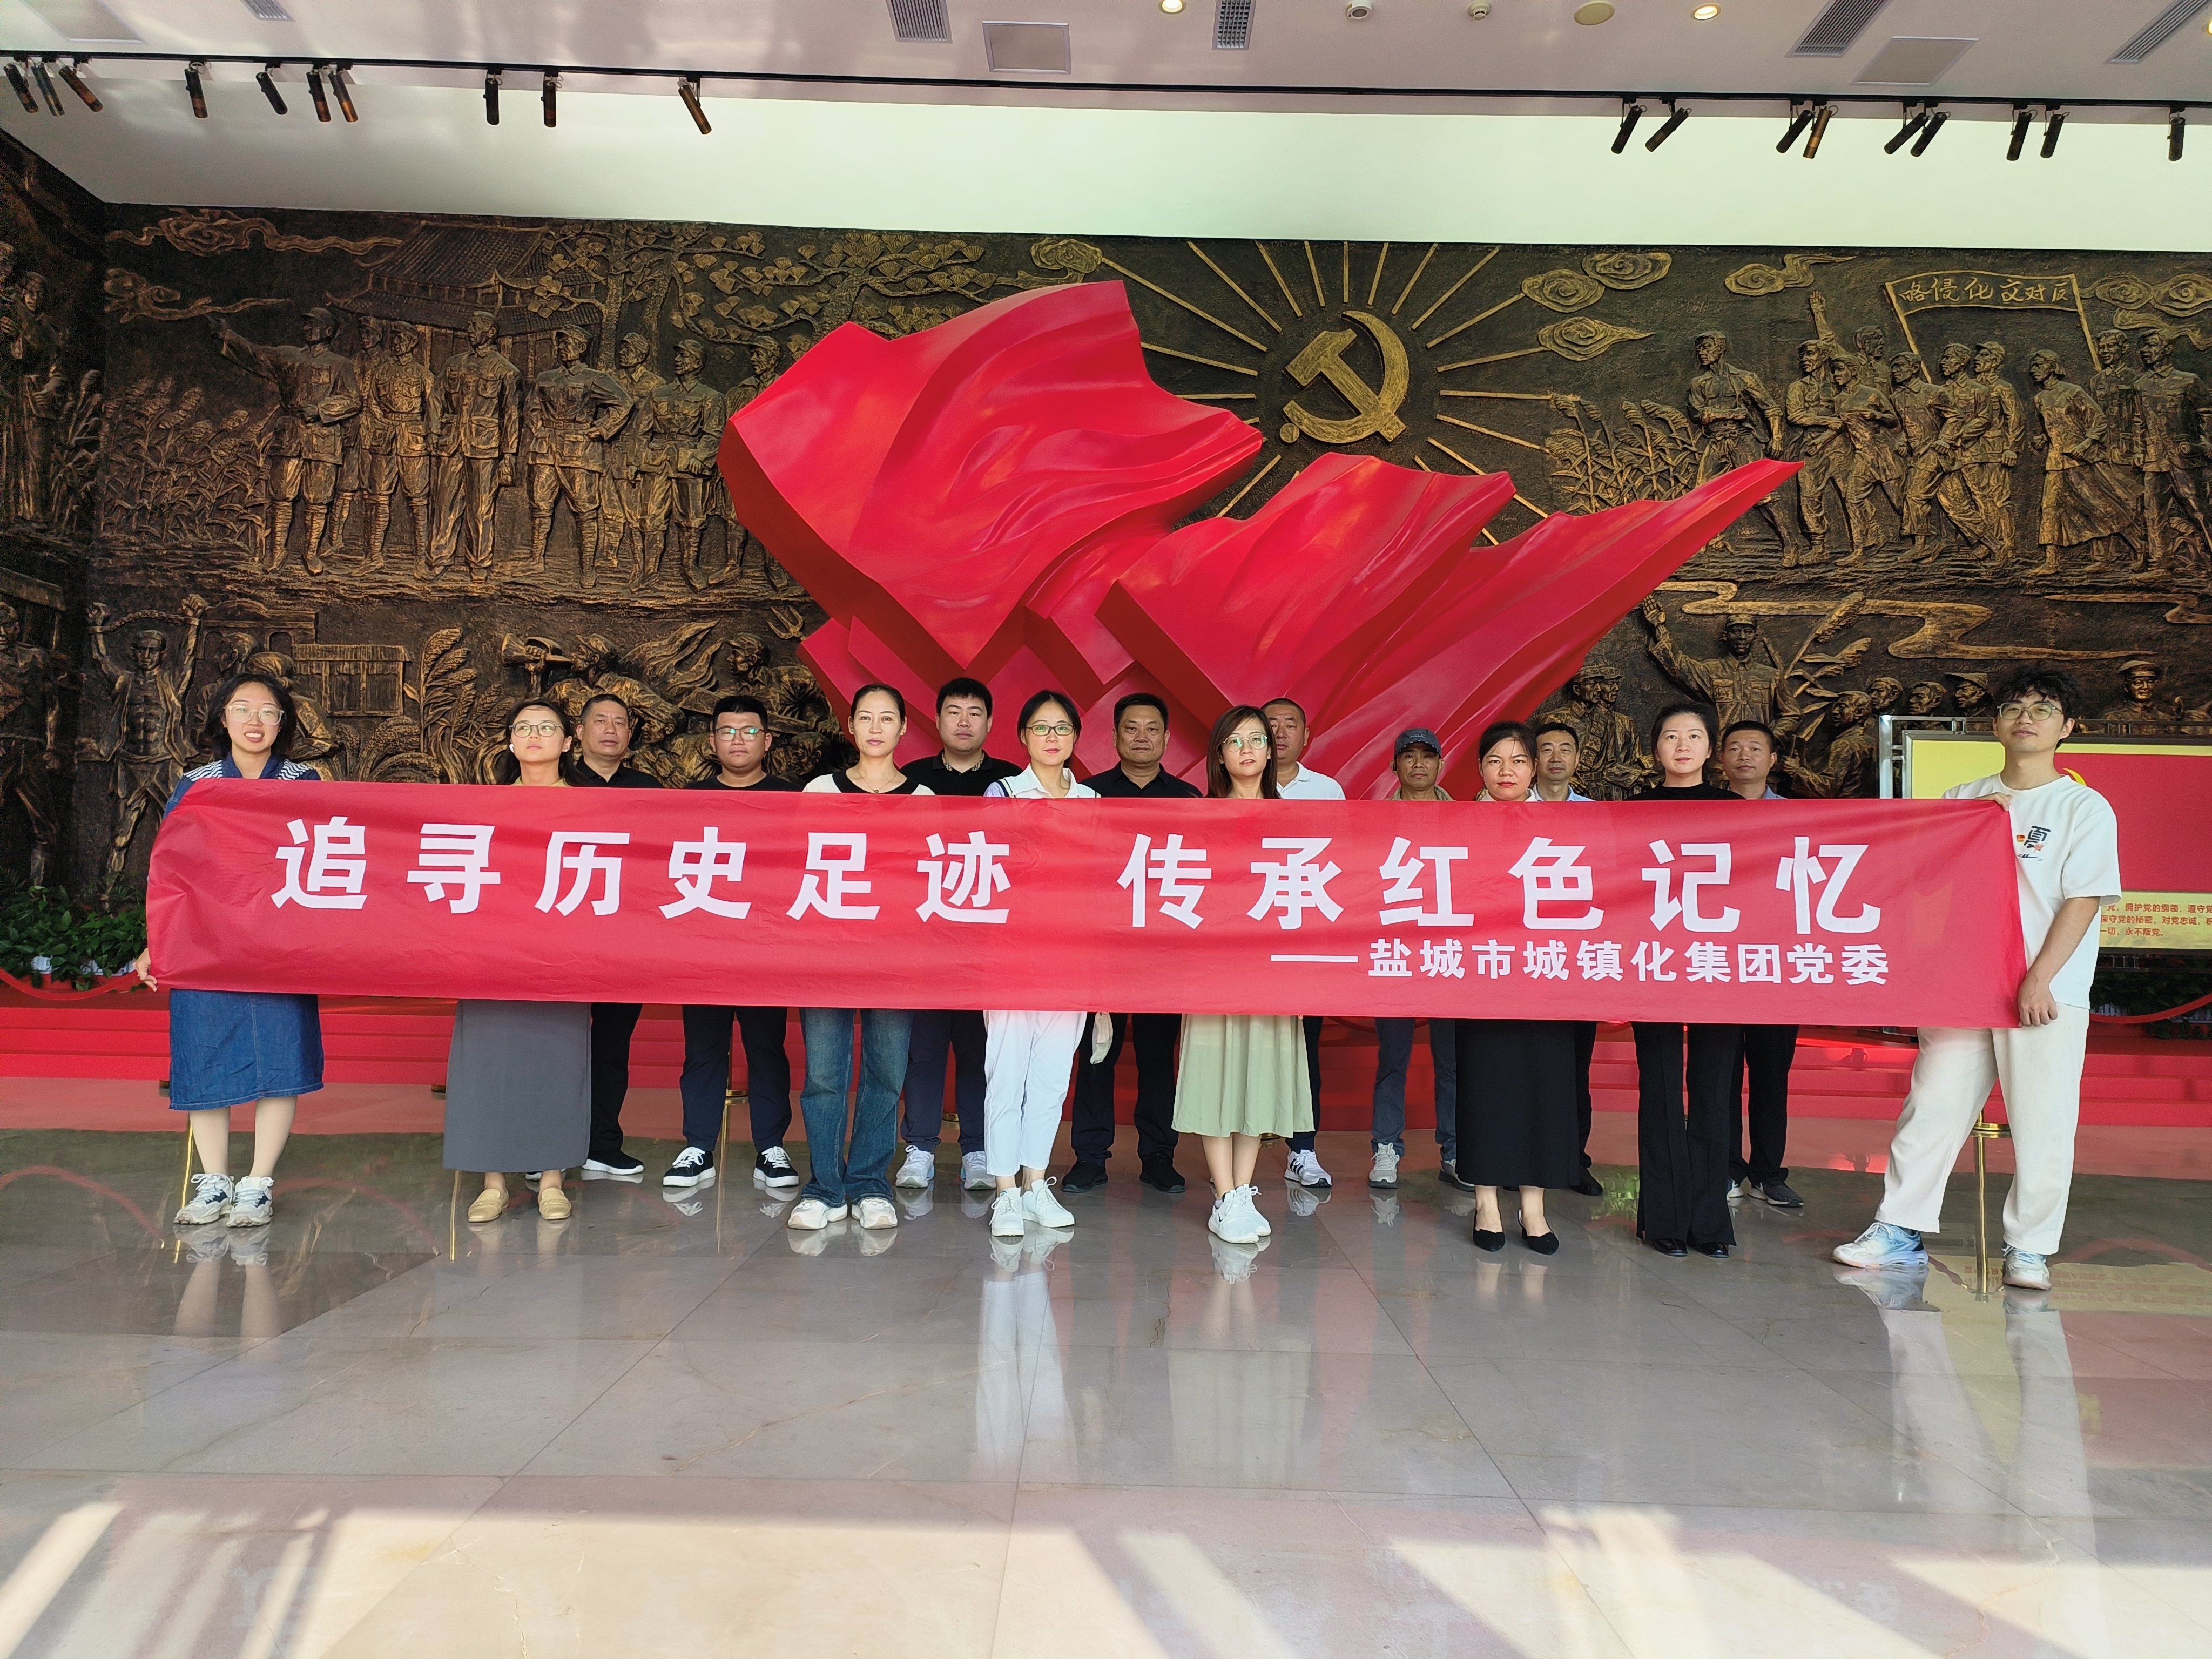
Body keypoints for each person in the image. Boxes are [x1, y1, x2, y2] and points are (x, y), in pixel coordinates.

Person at [1836, 669, 2121, 1292]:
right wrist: (1965, 826)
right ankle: (1898, 1228)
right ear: (1994, 724)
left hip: (2044, 990)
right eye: (2014, 708)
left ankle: (2030, 1248)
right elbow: (1923, 881)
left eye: (2043, 709)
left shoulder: (2082, 807)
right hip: (1965, 983)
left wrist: (2039, 977)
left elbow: (2083, 899)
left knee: (2043, 1118)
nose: (2026, 718)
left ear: (2067, 728)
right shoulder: (1964, 796)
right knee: (1932, 1104)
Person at [137, 673, 325, 1230]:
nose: (254, 721)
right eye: (242, 709)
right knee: (203, 1056)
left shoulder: (303, 782)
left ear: (283, 724)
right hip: (207, 942)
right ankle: (214, 1181)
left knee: (281, 1057)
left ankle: (258, 1185)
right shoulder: (195, 783)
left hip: (278, 943)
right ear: (223, 718)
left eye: (267, 711)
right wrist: (156, 941)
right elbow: (171, 869)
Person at [791, 684, 930, 1231]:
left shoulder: (923, 799)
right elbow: (797, 867)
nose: (876, 728)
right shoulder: (820, 790)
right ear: (851, 727)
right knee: (824, 1074)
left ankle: (870, 1183)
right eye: (866, 718)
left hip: (895, 959)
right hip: (825, 957)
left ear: (903, 729)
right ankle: (825, 1188)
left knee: (885, 1073)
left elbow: (925, 878)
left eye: (887, 718)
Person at [445, 702, 591, 1224]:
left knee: (557, 1061)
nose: (535, 735)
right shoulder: (485, 805)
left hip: (560, 953)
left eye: (547, 728)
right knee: (489, 1063)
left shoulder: (589, 807)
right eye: (524, 727)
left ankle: (552, 1179)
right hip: (493, 953)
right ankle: (493, 1182)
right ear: (510, 740)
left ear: (568, 742)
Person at [1174, 707, 1313, 1245]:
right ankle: (1224, 1194)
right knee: (1215, 1077)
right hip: (1213, 969)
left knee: (1259, 1078)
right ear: (1219, 755)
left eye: (1257, 739)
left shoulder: (1292, 819)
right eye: (1235, 741)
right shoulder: (1201, 817)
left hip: (1271, 972)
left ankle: (1241, 1192)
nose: (1248, 749)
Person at [666, 694, 800, 1195]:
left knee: (766, 1048)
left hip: (767, 949)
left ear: (768, 740)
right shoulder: (688, 802)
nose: (738, 740)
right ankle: (698, 1146)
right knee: (704, 1049)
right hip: (704, 949)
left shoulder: (793, 800)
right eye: (728, 731)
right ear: (712, 741)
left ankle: (771, 1146)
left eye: (749, 731)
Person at [1456, 724, 1583, 1255]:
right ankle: (1486, 1201)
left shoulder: (1566, 826)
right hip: (1481, 977)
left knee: (1544, 1088)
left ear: (1534, 768)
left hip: (1544, 977)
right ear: (1480, 769)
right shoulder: (1456, 826)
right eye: (1494, 761)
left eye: (1517, 761)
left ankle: (1534, 1207)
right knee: (1486, 1087)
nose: (1506, 772)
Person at [1068, 692, 1199, 1195]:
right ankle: (1090, 1157)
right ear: (1115, 736)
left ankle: (1159, 1156)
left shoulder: (1190, 801)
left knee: (1158, 1057)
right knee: (1096, 1055)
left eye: (1152, 728)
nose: (1142, 737)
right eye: (1131, 728)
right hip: (1101, 949)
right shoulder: (1089, 797)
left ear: (1166, 738)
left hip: (1164, 953)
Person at [977, 692, 1096, 1240]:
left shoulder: (1094, 800)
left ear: (1075, 738)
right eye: (1041, 728)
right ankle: (1005, 1191)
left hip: (1071, 959)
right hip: (1011, 957)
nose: (1052, 737)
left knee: (1051, 1080)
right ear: (1023, 736)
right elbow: (989, 870)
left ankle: (1034, 1184)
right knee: (1006, 1076)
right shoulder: (1002, 793)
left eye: (1062, 728)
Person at [895, 678, 1018, 1194]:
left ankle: (978, 1150)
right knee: (923, 1049)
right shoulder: (911, 780)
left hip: (988, 942)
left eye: (974, 713)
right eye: (954, 711)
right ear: (938, 719)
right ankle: (920, 1148)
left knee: (979, 1051)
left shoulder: (1011, 783)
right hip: (924, 937)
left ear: (990, 723)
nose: (964, 721)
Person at [1630, 702, 1742, 1260]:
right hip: (1654, 965)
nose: (1682, 745)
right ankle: (1663, 1220)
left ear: (1710, 748)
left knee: (1714, 1093)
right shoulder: (1634, 810)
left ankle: (1709, 1222)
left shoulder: (1737, 811)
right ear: (1655, 749)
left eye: (1694, 736)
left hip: (1716, 966)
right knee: (1659, 1090)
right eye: (1671, 736)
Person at [566, 692, 662, 1181]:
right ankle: (549, 1145)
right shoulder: (558, 784)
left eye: (620, 722)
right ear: (579, 733)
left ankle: (603, 1143)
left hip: (625, 941)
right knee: (559, 1043)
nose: (610, 729)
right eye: (600, 721)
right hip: (562, 937)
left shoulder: (650, 790)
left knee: (611, 1046)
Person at [1718, 720, 1804, 1209]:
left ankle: (1768, 1173)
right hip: (1720, 964)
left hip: (1776, 966)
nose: (1745, 756)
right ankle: (1727, 1168)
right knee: (1722, 1074)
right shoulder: (1704, 816)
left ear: (1773, 760)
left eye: (1755, 748)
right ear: (1722, 759)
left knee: (1772, 1074)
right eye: (1735, 748)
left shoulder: (1796, 818)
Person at [1370, 727, 1459, 1191]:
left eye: (1428, 756)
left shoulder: (1466, 820)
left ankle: (1455, 1149)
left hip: (1449, 953)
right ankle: (1386, 1148)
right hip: (1397, 954)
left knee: (1452, 1061)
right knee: (1393, 1058)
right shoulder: (1374, 822)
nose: (1419, 764)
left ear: (1441, 764)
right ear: (1395, 767)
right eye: (1409, 756)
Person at [1262, 695, 1339, 1193]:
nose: (1281, 732)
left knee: (1304, 1048)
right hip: (1250, 941)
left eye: (1291, 724)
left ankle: (1303, 1150)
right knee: (1249, 1044)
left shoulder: (1328, 791)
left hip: (1307, 940)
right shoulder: (1240, 786)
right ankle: (1237, 1158)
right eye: (1271, 724)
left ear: (1306, 736)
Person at [1532, 720, 1592, 804]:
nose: (1556, 758)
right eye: (1547, 750)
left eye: (1565, 750)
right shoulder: (1518, 807)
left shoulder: (1592, 809)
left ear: (1577, 759)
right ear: (1534, 759)